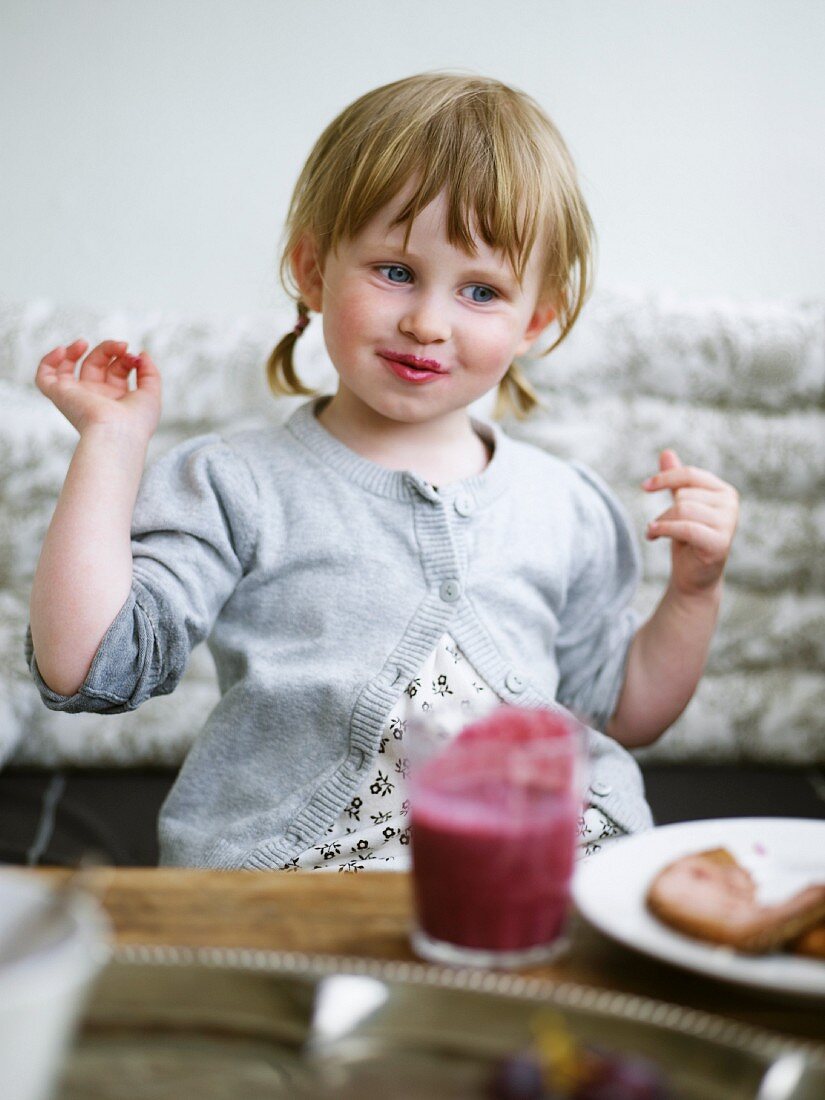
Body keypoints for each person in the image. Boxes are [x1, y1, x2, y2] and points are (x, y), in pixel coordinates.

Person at [26, 72, 739, 870]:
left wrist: (693, 593)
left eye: (480, 290)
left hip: (547, 855)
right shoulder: (236, 484)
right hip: (301, 872)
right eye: (394, 271)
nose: (426, 322)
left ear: (535, 319)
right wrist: (110, 447)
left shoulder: (564, 504)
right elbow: (85, 665)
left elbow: (620, 713)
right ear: (310, 267)